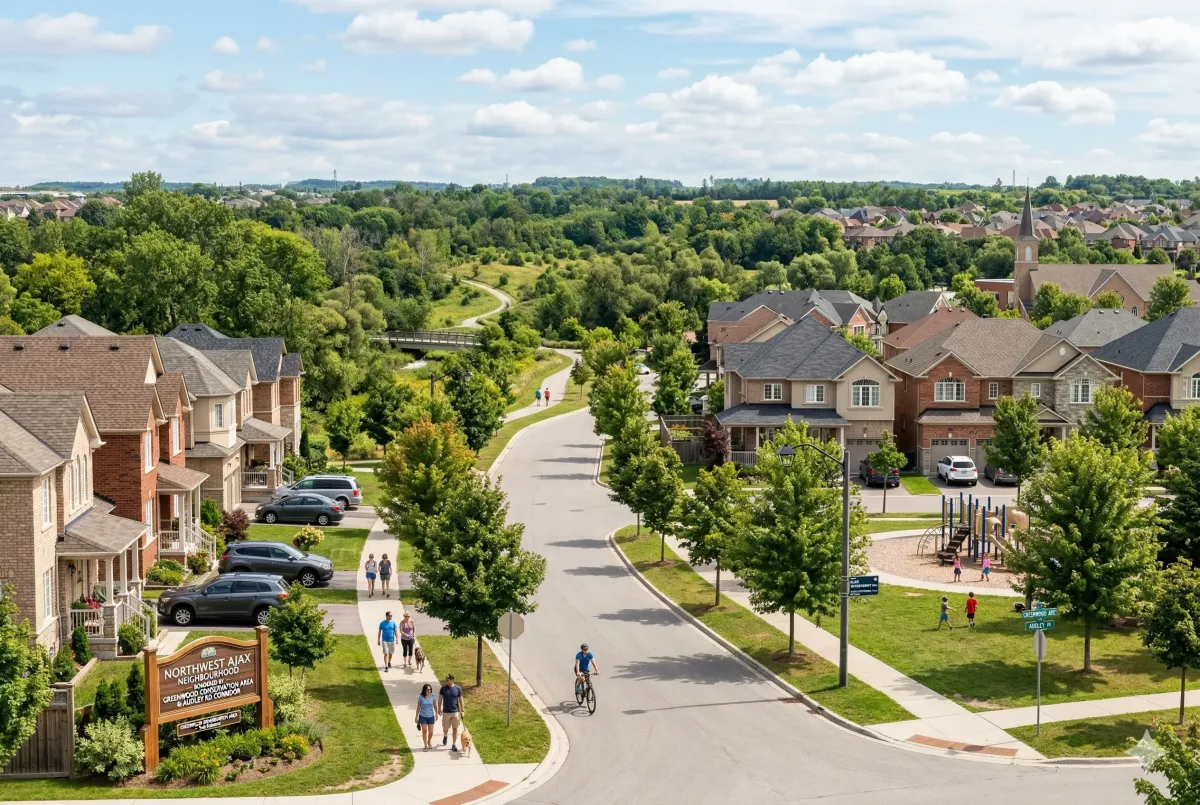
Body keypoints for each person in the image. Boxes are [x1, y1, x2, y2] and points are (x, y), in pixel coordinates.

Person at [438, 673, 465, 752]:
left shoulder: (458, 688)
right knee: (445, 728)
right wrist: (439, 709)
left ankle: (454, 744)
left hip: (455, 712)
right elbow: (440, 700)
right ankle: (445, 735)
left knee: (455, 729)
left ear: (452, 680)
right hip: (446, 712)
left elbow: (461, 700)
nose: (446, 681)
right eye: (446, 679)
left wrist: (462, 711)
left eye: (447, 680)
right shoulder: (443, 688)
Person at [416, 683, 437, 751]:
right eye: (428, 690)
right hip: (423, 716)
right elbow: (418, 707)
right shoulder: (420, 697)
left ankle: (429, 741)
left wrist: (436, 714)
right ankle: (425, 745)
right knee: (424, 731)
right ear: (424, 690)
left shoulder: (433, 696)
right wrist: (416, 716)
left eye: (430, 690)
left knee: (431, 732)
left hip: (431, 716)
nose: (429, 691)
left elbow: (435, 705)